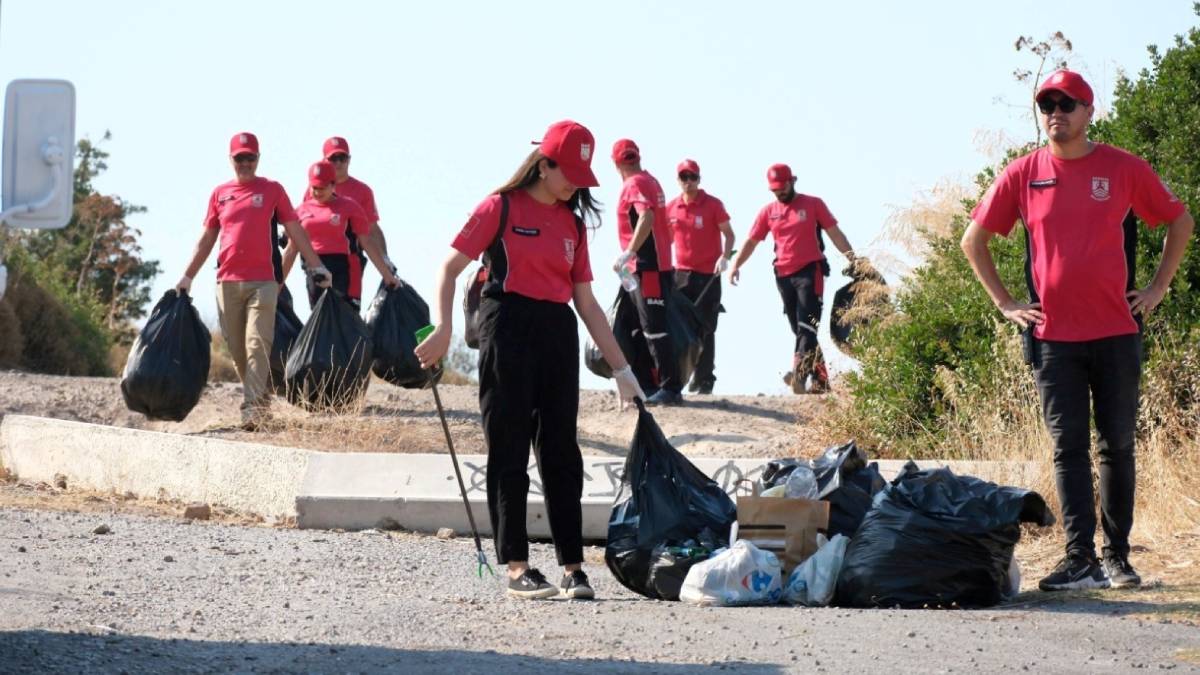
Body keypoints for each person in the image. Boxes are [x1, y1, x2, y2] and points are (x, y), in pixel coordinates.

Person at [962, 70, 1193, 591]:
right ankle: (1079, 560)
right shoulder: (1022, 173)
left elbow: (1179, 221)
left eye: (1068, 104)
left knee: (1117, 445)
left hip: (1115, 330)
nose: (1056, 113)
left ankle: (1117, 559)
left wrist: (1156, 290)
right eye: (1047, 104)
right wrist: (1005, 303)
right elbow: (972, 240)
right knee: (1069, 448)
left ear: (1089, 111)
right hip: (1053, 338)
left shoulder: (1124, 168)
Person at [415, 120, 646, 600]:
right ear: (544, 165)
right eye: (570, 172)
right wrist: (443, 328)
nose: (576, 184)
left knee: (562, 450)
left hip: (556, 331)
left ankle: (573, 567)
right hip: (507, 326)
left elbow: (586, 303)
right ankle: (518, 567)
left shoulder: (573, 224)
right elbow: (450, 268)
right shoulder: (499, 208)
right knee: (510, 447)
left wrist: (622, 371)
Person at [176, 132, 330, 430]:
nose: (245, 163)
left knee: (257, 344)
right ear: (231, 159)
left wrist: (317, 265)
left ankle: (251, 412)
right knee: (237, 350)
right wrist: (187, 276)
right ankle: (261, 403)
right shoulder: (220, 193)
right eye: (239, 158)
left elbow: (295, 229)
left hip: (264, 282)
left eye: (250, 157)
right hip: (228, 282)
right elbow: (208, 237)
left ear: (258, 158)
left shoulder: (273, 190)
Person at [729, 163, 855, 394]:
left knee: (807, 327)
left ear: (792, 181)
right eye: (775, 189)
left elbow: (835, 233)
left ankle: (798, 375)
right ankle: (821, 382)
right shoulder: (768, 211)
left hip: (811, 271)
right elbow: (752, 241)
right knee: (800, 330)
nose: (779, 192)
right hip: (783, 276)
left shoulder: (813, 204)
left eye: (783, 186)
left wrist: (853, 260)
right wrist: (736, 265)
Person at [611, 138, 682, 405]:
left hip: (646, 268)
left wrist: (630, 251)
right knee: (632, 326)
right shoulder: (651, 180)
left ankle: (670, 388)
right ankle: (646, 385)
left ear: (616, 164)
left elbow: (648, 217)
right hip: (645, 268)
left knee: (653, 329)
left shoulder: (635, 184)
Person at [282, 160, 399, 309]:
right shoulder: (301, 211)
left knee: (346, 315)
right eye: (315, 188)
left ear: (333, 185)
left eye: (322, 188)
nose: (318, 192)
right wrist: (276, 287)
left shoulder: (350, 207)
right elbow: (291, 250)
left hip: (346, 266)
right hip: (315, 267)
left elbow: (366, 242)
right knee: (321, 317)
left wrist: (387, 276)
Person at [667, 159, 735, 394]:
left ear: (699, 179)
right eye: (684, 177)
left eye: (692, 177)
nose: (688, 182)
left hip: (709, 276)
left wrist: (724, 257)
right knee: (682, 327)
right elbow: (665, 240)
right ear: (678, 180)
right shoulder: (672, 208)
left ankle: (705, 378)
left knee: (706, 327)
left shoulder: (713, 205)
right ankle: (686, 375)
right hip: (681, 275)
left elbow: (729, 234)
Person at [305, 136, 391, 276]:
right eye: (333, 158)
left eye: (342, 158)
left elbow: (372, 229)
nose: (338, 163)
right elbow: (302, 221)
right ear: (324, 161)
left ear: (349, 160)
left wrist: (384, 258)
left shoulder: (363, 191)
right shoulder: (314, 190)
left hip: (350, 261)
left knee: (347, 298)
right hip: (317, 260)